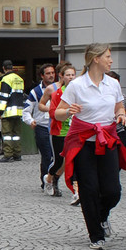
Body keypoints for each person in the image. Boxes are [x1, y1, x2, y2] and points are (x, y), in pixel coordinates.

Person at [55, 44, 126, 250]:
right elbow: (58, 113)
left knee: (113, 191)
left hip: (107, 140)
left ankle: (101, 216)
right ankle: (95, 234)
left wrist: (121, 115)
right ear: (95, 59)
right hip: (83, 143)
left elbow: (119, 106)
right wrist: (69, 111)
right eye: (107, 56)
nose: (111, 60)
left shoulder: (113, 84)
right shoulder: (77, 85)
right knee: (89, 189)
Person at [40, 63, 76, 199]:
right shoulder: (57, 93)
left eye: (73, 75)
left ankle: (77, 189)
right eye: (68, 75)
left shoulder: (79, 92)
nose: (71, 77)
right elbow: (52, 112)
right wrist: (66, 112)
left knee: (73, 160)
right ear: (62, 77)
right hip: (59, 131)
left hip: (75, 131)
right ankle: (49, 178)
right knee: (59, 161)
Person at [23, 63, 57, 191]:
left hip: (57, 126)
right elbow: (26, 110)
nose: (51, 75)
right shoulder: (36, 92)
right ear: (42, 76)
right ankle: (46, 182)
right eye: (48, 73)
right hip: (42, 126)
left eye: (52, 73)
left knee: (58, 157)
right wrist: (31, 121)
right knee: (47, 155)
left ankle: (54, 180)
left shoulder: (59, 88)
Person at [0, 60, 24, 162]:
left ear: (3, 68)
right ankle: (17, 154)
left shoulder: (5, 79)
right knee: (16, 134)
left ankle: (8, 154)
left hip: (8, 111)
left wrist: (0, 111)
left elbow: (4, 96)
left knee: (7, 134)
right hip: (19, 111)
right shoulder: (19, 79)